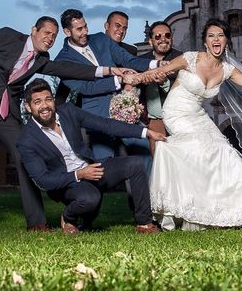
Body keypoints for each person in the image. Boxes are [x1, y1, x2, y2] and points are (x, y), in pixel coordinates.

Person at [0, 16, 140, 233]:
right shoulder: (7, 36)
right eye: (46, 33)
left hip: (5, 113)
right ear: (34, 30)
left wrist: (109, 70)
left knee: (24, 157)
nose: (50, 38)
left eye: (54, 36)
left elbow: (69, 69)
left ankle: (36, 222)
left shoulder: (40, 60)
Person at [136, 19, 242, 230]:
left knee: (225, 153)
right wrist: (135, 78)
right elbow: (159, 71)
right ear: (205, 42)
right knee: (199, 152)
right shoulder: (189, 58)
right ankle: (194, 208)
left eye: (220, 35)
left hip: (198, 115)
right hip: (176, 113)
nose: (216, 39)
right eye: (211, 35)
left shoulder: (227, 70)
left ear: (226, 41)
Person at [15, 79, 166, 234]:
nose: (45, 106)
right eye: (37, 102)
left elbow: (105, 125)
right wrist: (79, 174)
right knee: (90, 198)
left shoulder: (68, 111)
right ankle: (68, 217)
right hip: (68, 182)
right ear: (28, 106)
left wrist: (146, 132)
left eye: (48, 99)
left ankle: (144, 223)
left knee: (134, 164)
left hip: (91, 168)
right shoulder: (26, 140)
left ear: (53, 100)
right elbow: (43, 181)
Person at [53, 9, 158, 162]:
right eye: (79, 29)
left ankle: (148, 186)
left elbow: (129, 60)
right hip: (97, 116)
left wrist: (157, 64)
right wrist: (120, 80)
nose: (85, 32)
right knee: (105, 164)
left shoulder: (100, 39)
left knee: (144, 150)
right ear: (67, 32)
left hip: (125, 112)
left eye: (86, 26)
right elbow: (86, 88)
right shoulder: (62, 61)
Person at [141, 21, 183, 154]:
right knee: (159, 162)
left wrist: (165, 81)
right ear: (150, 41)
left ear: (172, 39)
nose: (163, 39)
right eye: (158, 36)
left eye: (167, 35)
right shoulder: (141, 60)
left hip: (179, 119)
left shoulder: (181, 59)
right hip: (154, 122)